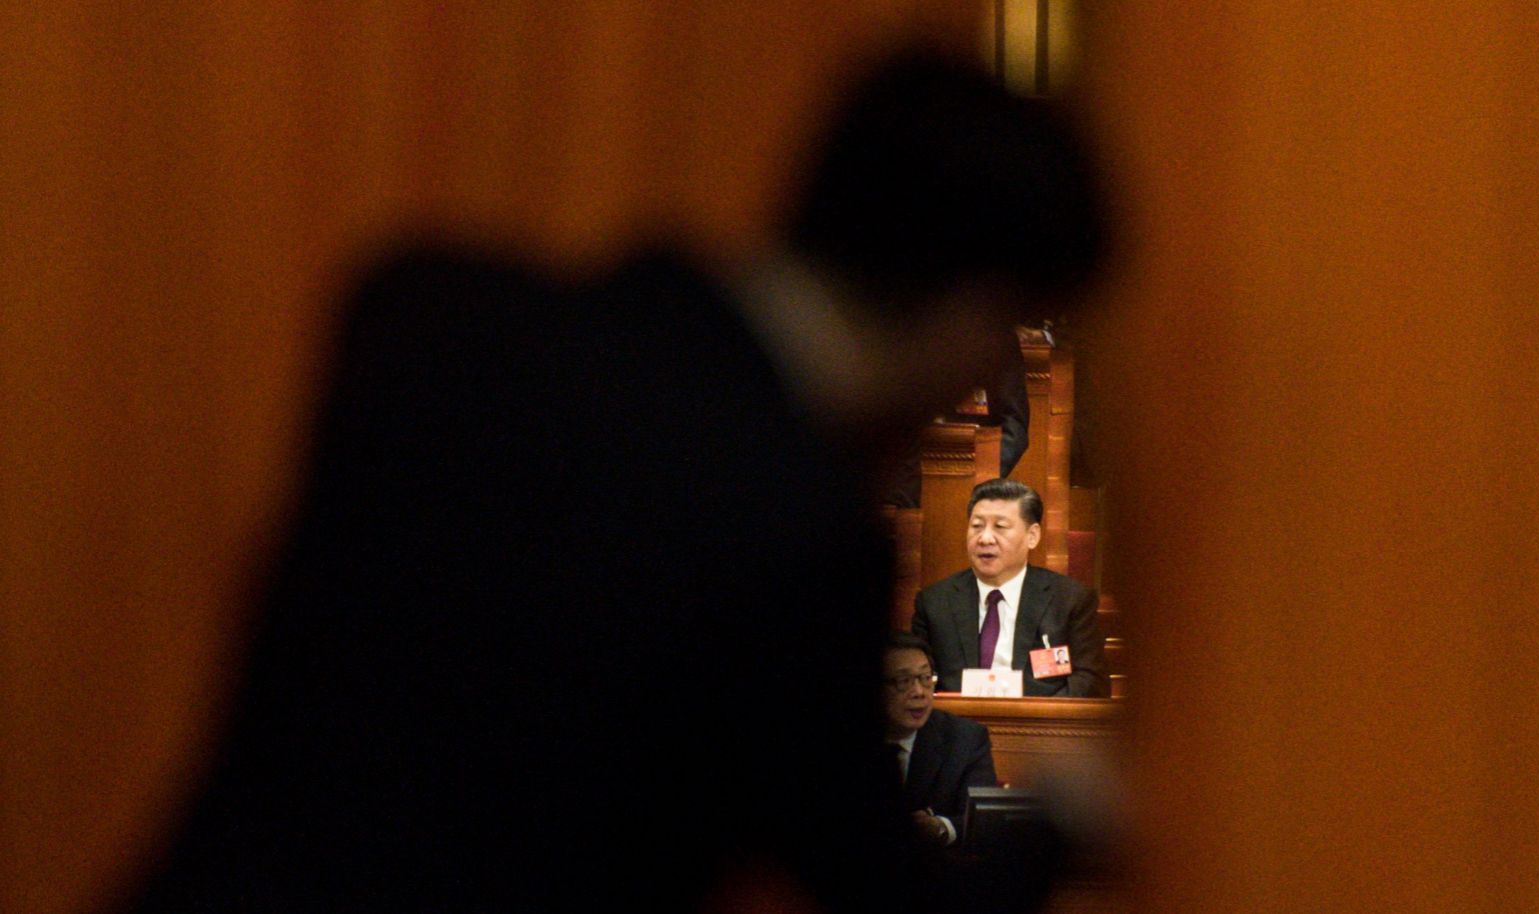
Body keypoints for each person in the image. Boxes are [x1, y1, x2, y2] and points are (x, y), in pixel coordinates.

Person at [119, 44, 1108, 914]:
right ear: (975, 314)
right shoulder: (790, 527)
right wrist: (1061, 817)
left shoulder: (425, 320)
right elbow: (878, 884)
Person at [912, 479, 1109, 698]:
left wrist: (1035, 722)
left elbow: (1091, 682)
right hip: (957, 725)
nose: (985, 538)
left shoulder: (1070, 600)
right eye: (976, 526)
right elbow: (920, 682)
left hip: (1039, 728)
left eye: (1000, 527)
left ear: (1032, 536)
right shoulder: (935, 602)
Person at [883, 632, 998, 847]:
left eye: (926, 679)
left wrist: (940, 828)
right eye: (903, 681)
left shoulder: (966, 739)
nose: (919, 692)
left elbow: (985, 821)